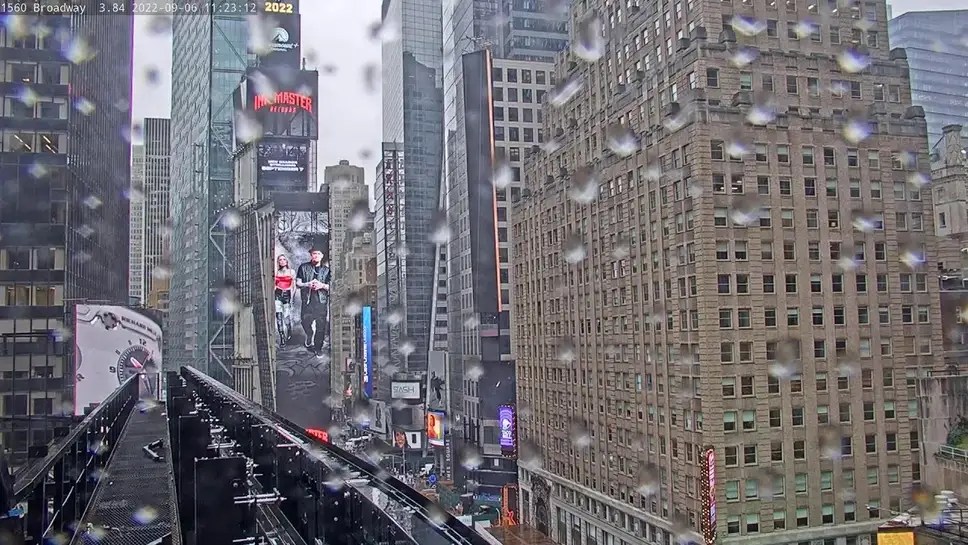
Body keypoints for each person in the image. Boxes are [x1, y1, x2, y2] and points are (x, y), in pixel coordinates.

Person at [295, 246, 331, 356]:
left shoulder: (327, 270)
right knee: (305, 322)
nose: (316, 256)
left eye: (318, 254)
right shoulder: (303, 267)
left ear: (322, 256)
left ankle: (318, 348)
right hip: (307, 301)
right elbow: (298, 283)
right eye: (314, 253)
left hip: (321, 302)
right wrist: (308, 284)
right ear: (311, 255)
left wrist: (321, 285)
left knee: (321, 326)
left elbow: (332, 286)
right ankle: (309, 334)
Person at [274, 255, 296, 345]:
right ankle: (282, 338)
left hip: (287, 294)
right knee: (279, 317)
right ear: (278, 262)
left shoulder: (291, 272)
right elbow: (274, 285)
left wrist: (292, 298)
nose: (282, 261)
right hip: (278, 294)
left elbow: (294, 287)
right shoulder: (276, 272)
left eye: (284, 259)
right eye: (280, 260)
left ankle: (289, 330)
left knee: (286, 316)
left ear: (287, 261)